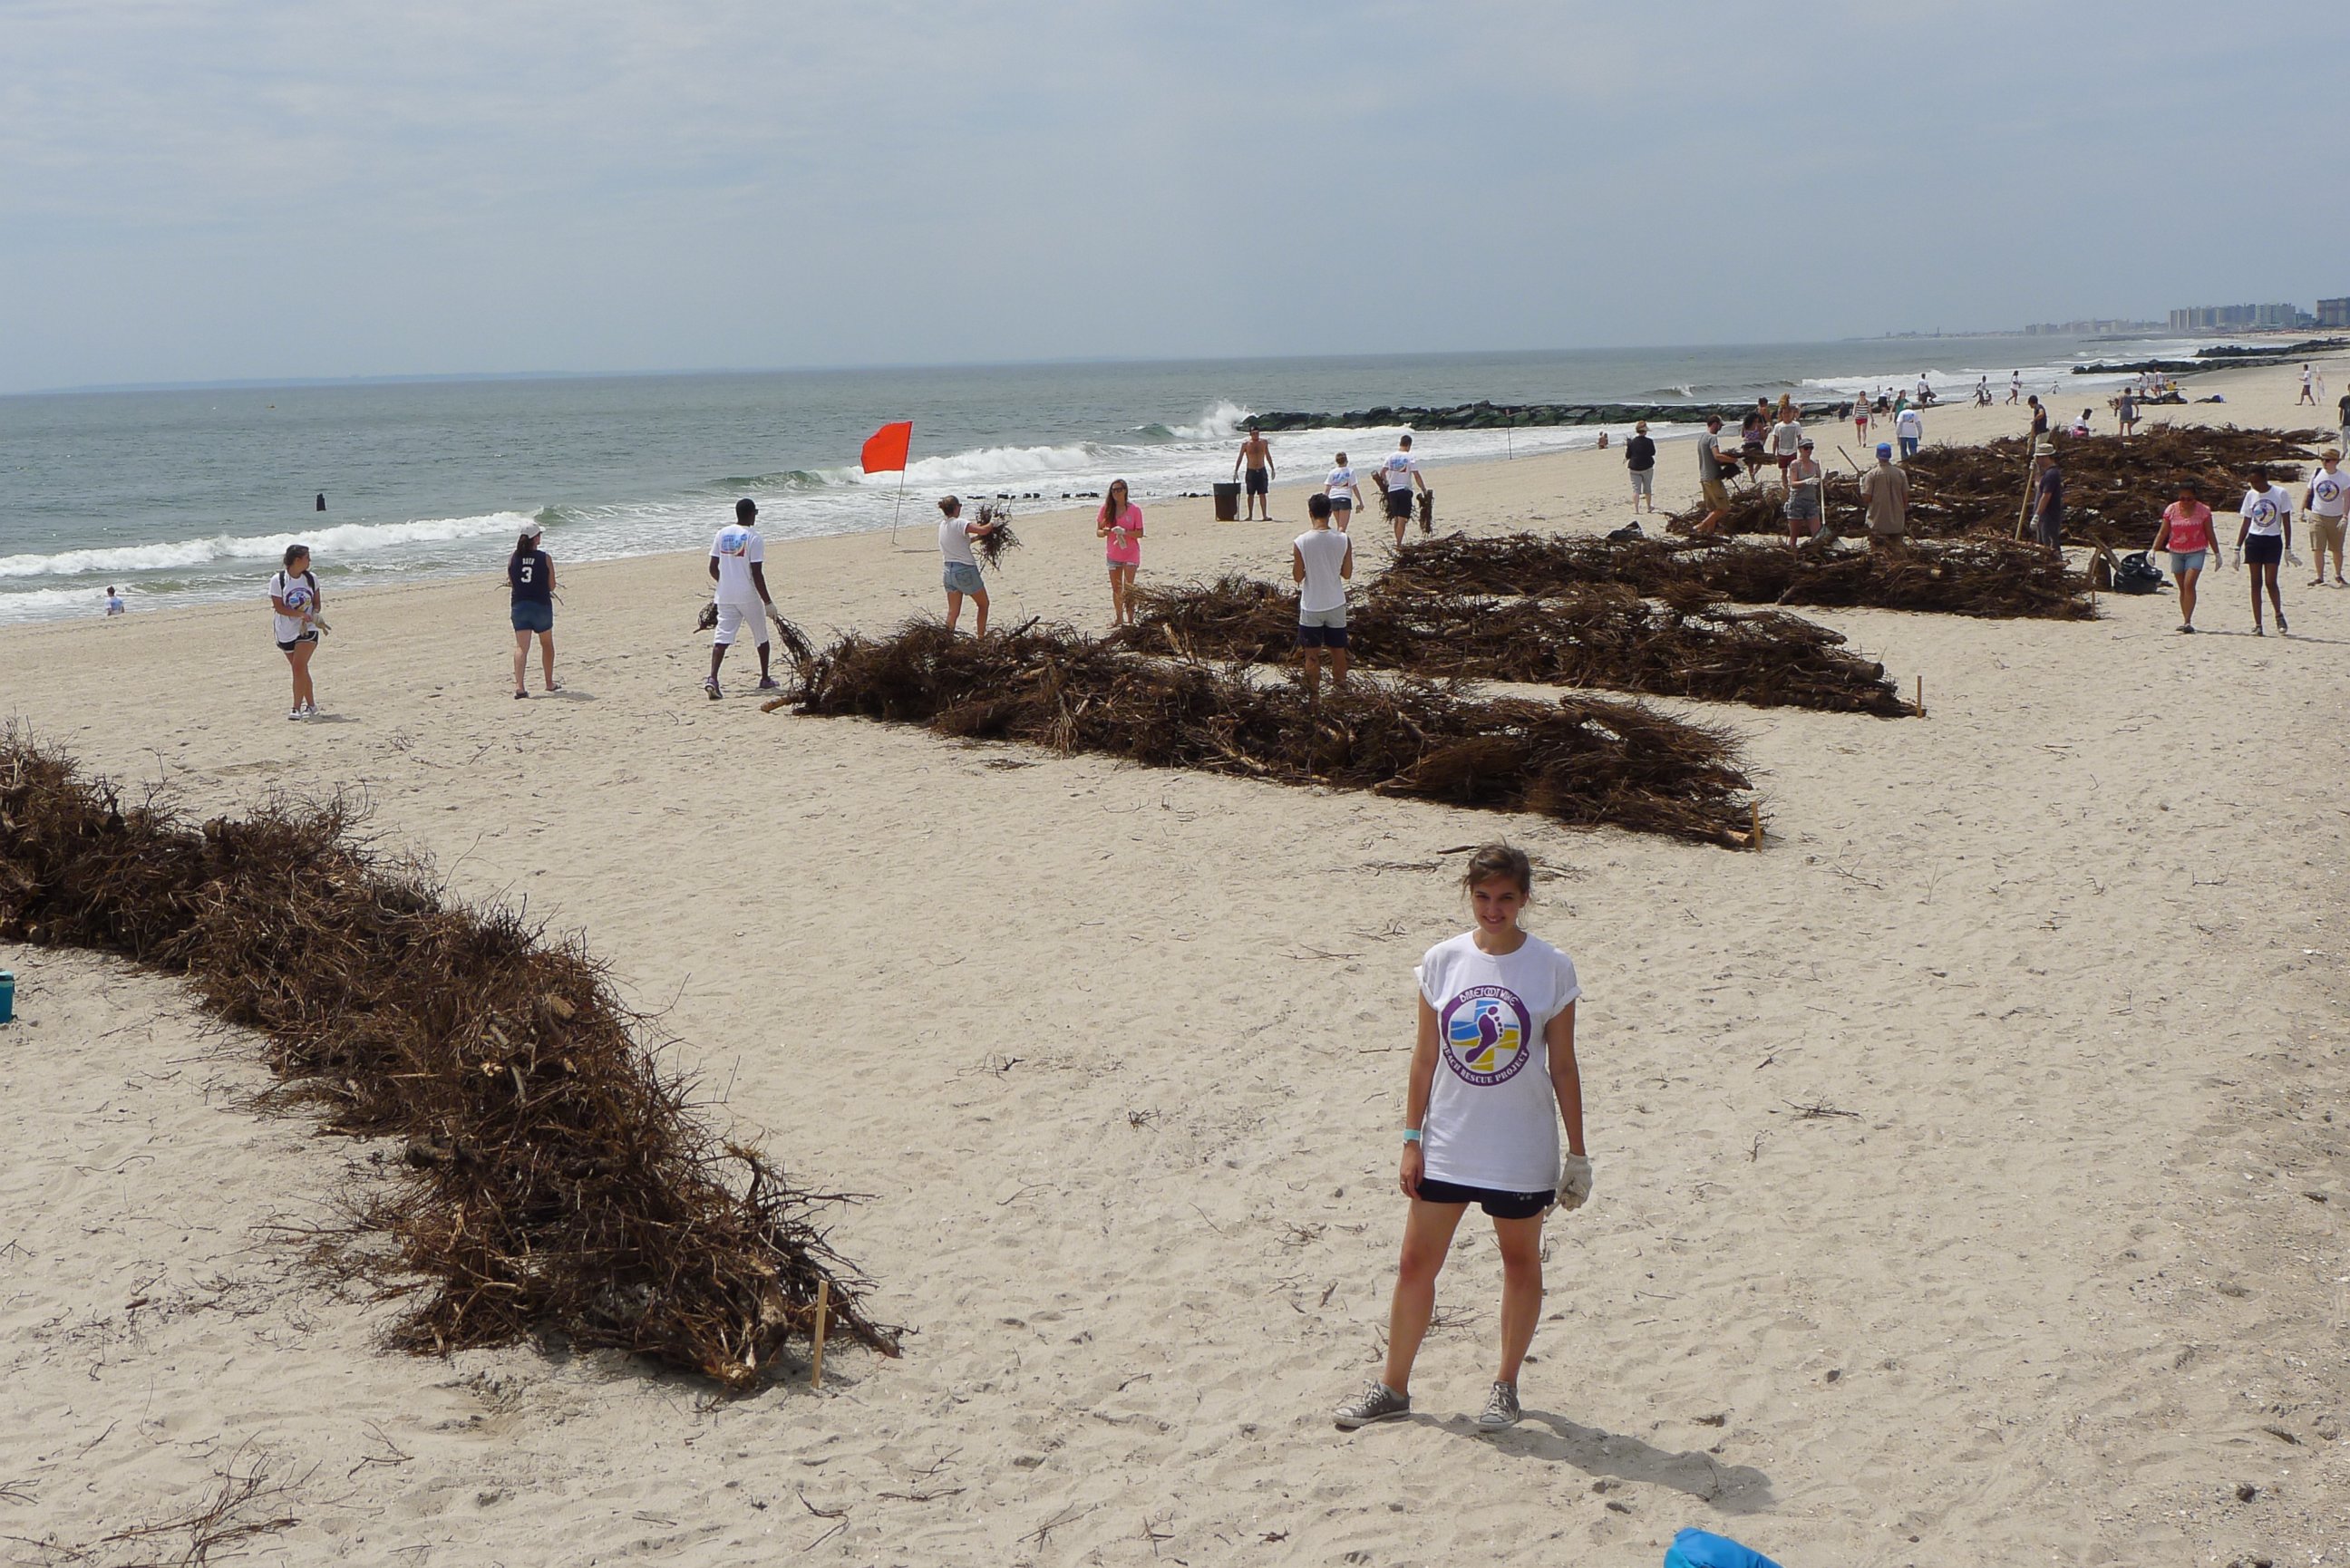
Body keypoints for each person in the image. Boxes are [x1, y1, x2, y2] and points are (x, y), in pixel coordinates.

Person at [1333, 843, 1588, 1435]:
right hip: (1449, 1139)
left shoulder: (1552, 968)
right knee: (1414, 1263)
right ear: (1468, 896)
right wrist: (1411, 1138)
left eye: (1505, 897)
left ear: (1524, 898)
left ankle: (1505, 1387)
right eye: (1482, 897)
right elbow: (1424, 1059)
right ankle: (1392, 1387)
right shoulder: (1442, 961)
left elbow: (1565, 1066)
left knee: (1519, 1262)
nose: (1493, 909)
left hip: (1520, 1146)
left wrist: (1578, 1153)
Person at [705, 498, 785, 699]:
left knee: (722, 636)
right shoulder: (754, 538)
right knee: (761, 635)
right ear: (751, 514)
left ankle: (713, 678)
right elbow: (757, 573)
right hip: (747, 595)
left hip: (725, 596)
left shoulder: (721, 534)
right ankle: (765, 678)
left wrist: (726, 583)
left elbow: (713, 568)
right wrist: (768, 602)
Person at [1293, 493, 1354, 695]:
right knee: (1338, 652)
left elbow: (1297, 576)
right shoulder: (1343, 539)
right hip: (1335, 602)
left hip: (1311, 605)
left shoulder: (1301, 541)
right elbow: (1347, 573)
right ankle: (1340, 694)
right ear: (1330, 513)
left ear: (1310, 513)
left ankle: (1314, 698)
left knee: (1311, 655)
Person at [2148, 481, 2217, 632]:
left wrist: (2217, 553)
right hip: (2176, 551)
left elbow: (2210, 532)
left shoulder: (2203, 511)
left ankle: (2187, 622)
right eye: (2183, 498)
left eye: (2189, 499)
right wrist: (2153, 549)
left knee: (2189, 584)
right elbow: (2163, 532)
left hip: (2196, 551)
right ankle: (2185, 619)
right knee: (2182, 588)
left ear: (2195, 497)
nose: (2186, 502)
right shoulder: (2172, 509)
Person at [2236, 476, 2297, 634]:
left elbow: (2286, 521)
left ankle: (2278, 614)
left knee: (2270, 581)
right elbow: (2246, 521)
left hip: (2273, 540)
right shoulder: (2251, 495)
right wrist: (2237, 547)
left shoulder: (2280, 493)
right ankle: (2258, 624)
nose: (2253, 485)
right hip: (2254, 540)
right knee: (2255, 583)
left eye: (2256, 481)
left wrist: (2288, 546)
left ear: (2264, 479)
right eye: (2251, 482)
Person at [268, 545, 323, 721]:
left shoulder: (311, 579)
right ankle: (312, 705)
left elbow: (316, 603)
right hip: (285, 630)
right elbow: (279, 607)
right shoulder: (278, 580)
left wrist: (313, 615)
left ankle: (296, 708)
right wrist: (299, 614)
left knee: (298, 667)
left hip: (308, 630)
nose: (310, 561)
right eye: (307, 557)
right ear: (297, 560)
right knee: (300, 669)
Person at [937, 495, 1001, 635]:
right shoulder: (959, 523)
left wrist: (978, 538)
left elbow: (960, 542)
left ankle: (946, 641)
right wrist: (993, 523)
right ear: (955, 508)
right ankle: (980, 639)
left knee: (953, 612)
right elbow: (983, 529)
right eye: (959, 505)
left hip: (948, 572)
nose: (960, 508)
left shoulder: (943, 525)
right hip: (964, 570)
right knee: (983, 604)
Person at [508, 520, 558, 698]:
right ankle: (549, 683)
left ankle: (520, 687)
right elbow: (552, 586)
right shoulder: (544, 558)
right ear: (535, 538)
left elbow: (512, 583)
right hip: (540, 606)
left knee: (522, 647)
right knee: (546, 644)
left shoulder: (513, 557)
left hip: (519, 606)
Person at [1098, 478, 1145, 627]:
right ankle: (1119, 618)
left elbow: (1140, 533)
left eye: (1119, 489)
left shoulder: (1134, 510)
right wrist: (1104, 532)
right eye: (1113, 490)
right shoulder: (1106, 509)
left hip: (1131, 553)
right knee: (1116, 588)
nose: (1116, 493)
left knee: (1129, 587)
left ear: (1125, 491)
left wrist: (1125, 532)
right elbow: (1098, 531)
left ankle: (1131, 619)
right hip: (1113, 554)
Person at [2305, 450, 2350, 587]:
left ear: (2336, 461)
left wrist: (2344, 516)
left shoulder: (2344, 477)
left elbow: (2347, 498)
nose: (2325, 462)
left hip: (2336, 517)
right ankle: (2319, 576)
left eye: (2328, 460)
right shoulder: (2317, 474)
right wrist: (2302, 510)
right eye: (2323, 459)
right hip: (2318, 514)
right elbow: (2308, 492)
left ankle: (2338, 574)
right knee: (2318, 548)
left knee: (2336, 549)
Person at [1377, 436, 1428, 547]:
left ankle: (1398, 541)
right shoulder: (1409, 457)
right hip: (1404, 490)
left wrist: (1387, 482)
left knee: (1397, 518)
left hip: (1392, 491)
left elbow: (1382, 472)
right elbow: (1416, 475)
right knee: (1402, 519)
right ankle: (1399, 544)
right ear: (1409, 445)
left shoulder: (1391, 457)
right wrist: (1423, 489)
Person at [1860, 442, 1909, 552]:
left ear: (1877, 456)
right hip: (1897, 522)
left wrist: (1861, 487)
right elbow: (1905, 497)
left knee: (1878, 553)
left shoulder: (1872, 475)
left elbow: (1867, 498)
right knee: (1897, 552)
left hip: (1877, 522)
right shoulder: (1900, 473)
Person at [1694, 415, 1736, 536]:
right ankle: (1701, 526)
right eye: (1720, 426)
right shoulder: (1712, 438)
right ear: (1715, 424)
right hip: (1713, 478)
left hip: (1704, 477)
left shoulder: (1702, 438)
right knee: (1724, 508)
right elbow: (1717, 456)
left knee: (1713, 509)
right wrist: (1734, 461)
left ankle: (1709, 533)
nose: (1720, 428)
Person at [1782, 437, 1821, 547]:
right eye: (1806, 448)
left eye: (1811, 448)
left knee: (1817, 534)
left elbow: (1818, 481)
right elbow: (1793, 484)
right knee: (1794, 536)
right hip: (1797, 502)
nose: (1809, 450)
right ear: (1800, 449)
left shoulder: (1815, 464)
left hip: (1811, 501)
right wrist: (1806, 481)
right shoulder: (1795, 464)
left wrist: (1821, 480)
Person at [1233, 423, 1275, 521]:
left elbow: (1268, 455)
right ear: (1250, 434)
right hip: (1251, 471)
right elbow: (1240, 458)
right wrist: (1236, 471)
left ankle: (1264, 515)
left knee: (1262, 493)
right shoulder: (1246, 444)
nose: (1256, 435)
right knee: (1250, 494)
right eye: (1254, 433)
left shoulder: (1264, 442)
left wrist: (1272, 468)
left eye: (1257, 433)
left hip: (1261, 470)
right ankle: (1250, 515)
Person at [2029, 444, 2064, 552]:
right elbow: (2038, 486)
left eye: (2040, 458)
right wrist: (2035, 472)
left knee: (2050, 547)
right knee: (2043, 546)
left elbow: (2046, 496)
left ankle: (2055, 566)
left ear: (2047, 457)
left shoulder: (2052, 474)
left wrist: (2037, 515)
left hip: (2049, 517)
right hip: (2043, 518)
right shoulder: (2046, 474)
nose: (2038, 460)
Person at [1624, 421, 1657, 513]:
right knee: (1647, 488)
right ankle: (1649, 507)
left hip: (1634, 467)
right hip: (1647, 467)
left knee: (1636, 489)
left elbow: (1628, 455)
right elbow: (1653, 453)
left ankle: (1636, 509)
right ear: (1645, 431)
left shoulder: (1631, 442)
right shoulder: (1649, 441)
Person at [1326, 451, 1364, 532]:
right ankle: (1340, 543)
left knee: (1339, 525)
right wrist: (1360, 501)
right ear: (1346, 461)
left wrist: (1326, 502)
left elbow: (1327, 489)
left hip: (1333, 498)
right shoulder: (1350, 471)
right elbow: (1354, 488)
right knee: (1342, 527)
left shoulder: (1332, 472)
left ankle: (1339, 541)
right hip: (1344, 498)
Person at [1769, 405, 1804, 490]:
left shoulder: (1796, 425)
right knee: (1783, 471)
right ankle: (1785, 488)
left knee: (1793, 470)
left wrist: (1802, 451)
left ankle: (1794, 486)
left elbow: (1799, 438)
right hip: (1781, 453)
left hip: (1793, 452)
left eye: (1788, 413)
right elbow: (1775, 441)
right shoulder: (1778, 426)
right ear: (1781, 414)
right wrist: (1774, 453)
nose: (1786, 415)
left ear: (1793, 413)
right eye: (1784, 413)